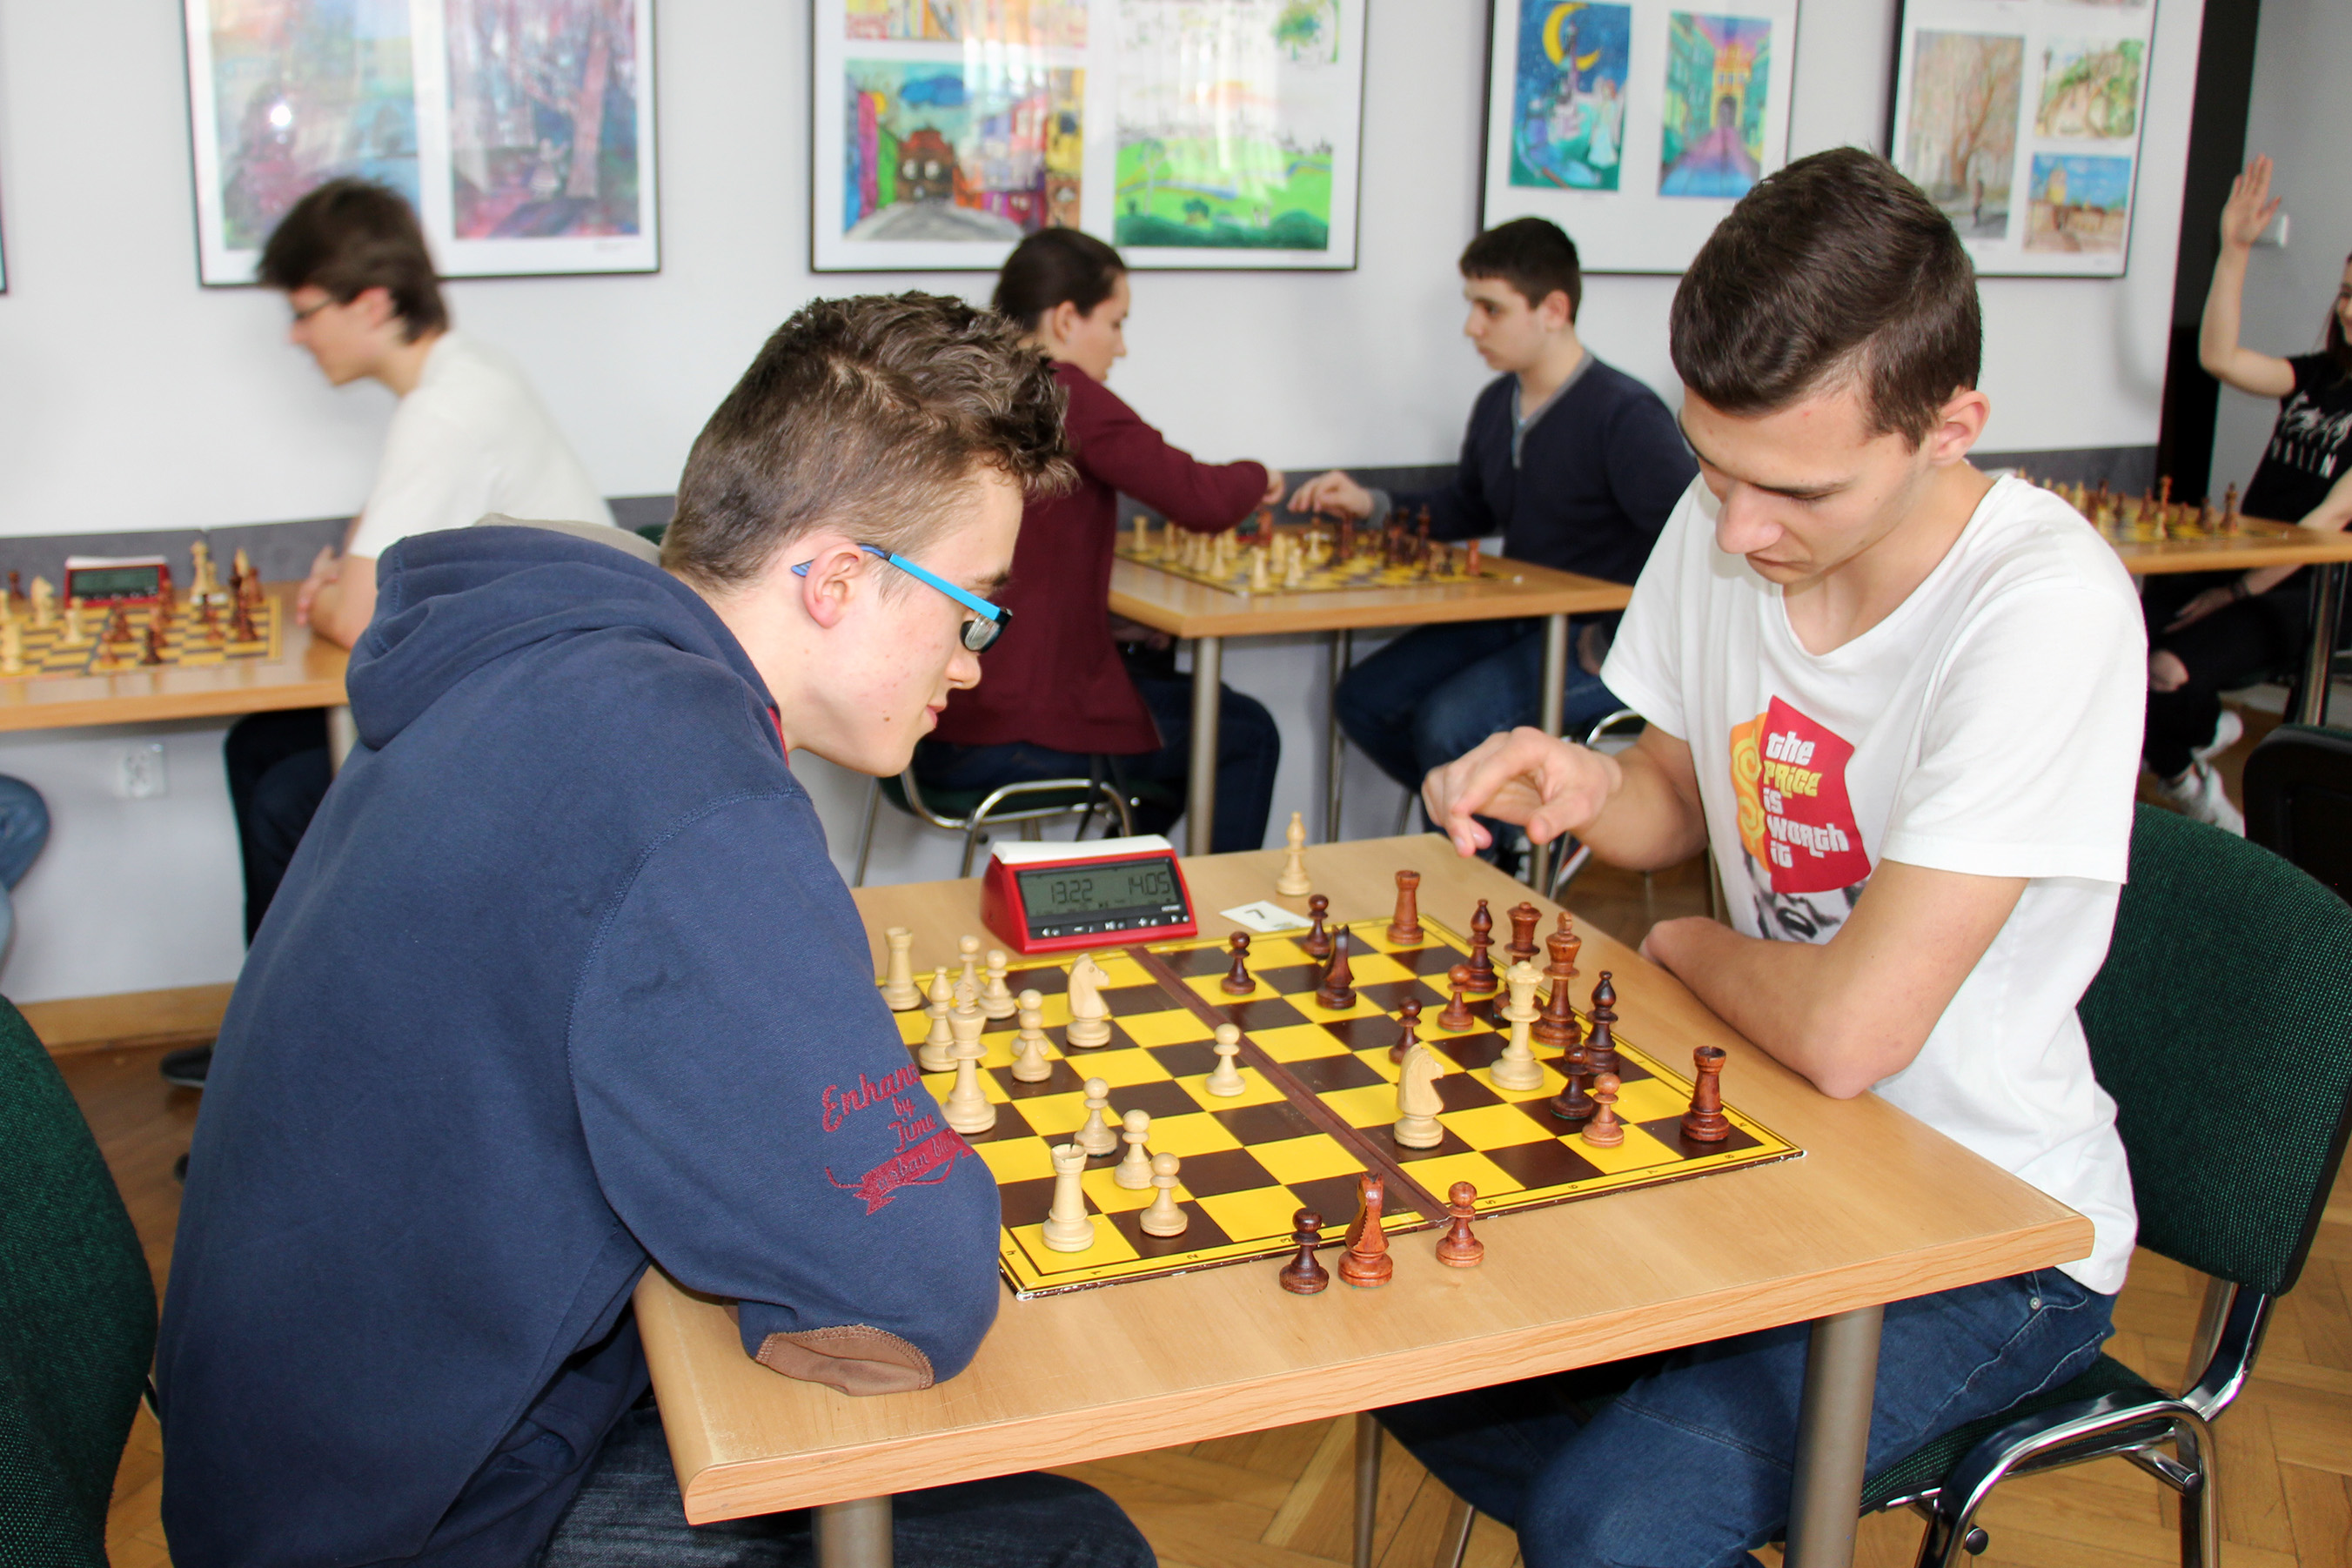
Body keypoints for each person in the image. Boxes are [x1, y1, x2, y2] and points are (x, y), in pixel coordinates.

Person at [156, 294, 1155, 1568]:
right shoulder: (686, 785)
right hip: (410, 1515)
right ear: (838, 579)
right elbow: (911, 1289)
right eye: (972, 609)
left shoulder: (561, 657)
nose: (971, 662)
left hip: (294, 1438)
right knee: (1077, 1546)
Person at [1395, 150, 2140, 1568]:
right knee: (1414, 1344)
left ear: (1948, 427)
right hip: (1754, 1135)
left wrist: (1676, 945)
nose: (1737, 529)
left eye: (1794, 489)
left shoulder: (2040, 608)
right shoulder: (1730, 512)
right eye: (1710, 466)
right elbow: (1677, 797)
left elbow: (1852, 1032)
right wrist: (1585, 784)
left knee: (1610, 1520)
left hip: (1988, 1227)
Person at [166, 178, 614, 1090]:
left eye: (305, 312)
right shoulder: (462, 377)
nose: (295, 336)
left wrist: (343, 589)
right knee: (260, 744)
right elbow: (367, 570)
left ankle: (303, 1061)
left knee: (286, 795)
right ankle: (269, 1027)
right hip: (517, 687)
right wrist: (345, 584)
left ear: (371, 303)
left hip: (542, 723)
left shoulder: (447, 408)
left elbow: (353, 609)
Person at [1290, 218, 1692, 848]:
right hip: (1515, 619)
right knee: (1365, 700)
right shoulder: (1494, 404)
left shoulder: (1625, 414)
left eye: (1490, 309)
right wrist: (1371, 503)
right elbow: (1468, 507)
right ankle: (1501, 837)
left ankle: (1487, 870)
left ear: (1552, 309)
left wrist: (1616, 634)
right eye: (1471, 306)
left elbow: (1689, 540)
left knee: (1448, 727)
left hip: (1596, 641)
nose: (1471, 327)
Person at [916, 227, 1283, 852]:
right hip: (1005, 727)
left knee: (1197, 706)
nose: (1121, 345)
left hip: (942, 710)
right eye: (1115, 323)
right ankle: (1207, 903)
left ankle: (1120, 881)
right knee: (1244, 731)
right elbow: (1201, 499)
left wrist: (1105, 623)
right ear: (1065, 319)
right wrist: (1260, 476)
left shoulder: (973, 383)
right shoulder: (1060, 390)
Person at [2150, 154, 2352, 833]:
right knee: (2122, 635)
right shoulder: (2317, 376)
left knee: (2166, 666)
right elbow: (2218, 357)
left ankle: (2189, 770)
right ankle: (2196, 741)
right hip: (2244, 562)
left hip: (2312, 588)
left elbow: (2326, 522)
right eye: (2345, 293)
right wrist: (2232, 249)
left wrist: (2235, 593)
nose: (2349, 310)